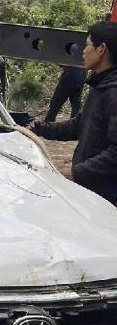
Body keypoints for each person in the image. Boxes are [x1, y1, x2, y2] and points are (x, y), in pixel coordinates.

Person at [32, 21, 117, 206]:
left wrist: (78, 172)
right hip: (90, 190)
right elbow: (79, 125)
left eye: (87, 45)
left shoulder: (113, 93)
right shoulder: (100, 86)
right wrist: (40, 129)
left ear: (101, 49)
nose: (84, 51)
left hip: (104, 199)